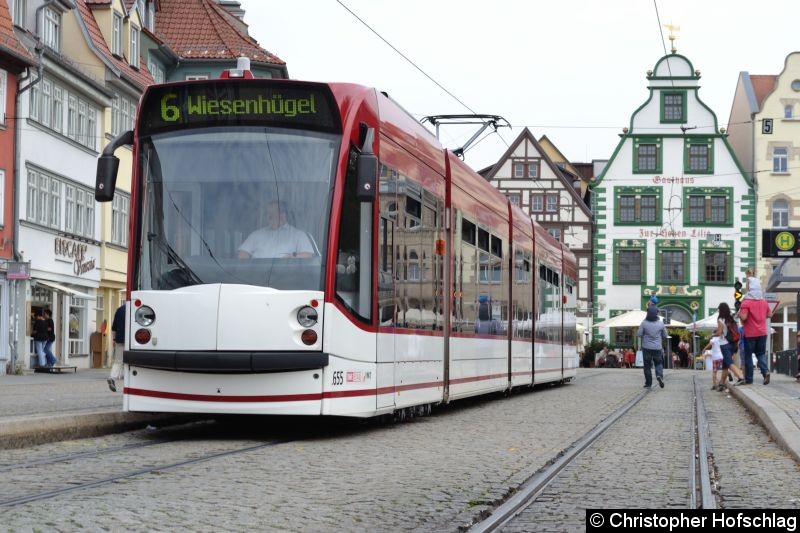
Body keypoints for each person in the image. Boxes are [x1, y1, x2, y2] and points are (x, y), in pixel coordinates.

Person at [238, 200, 315, 259]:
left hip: (288, 276)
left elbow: (308, 256)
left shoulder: (299, 235)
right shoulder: (256, 234)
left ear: (283, 215)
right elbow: (242, 254)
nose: (268, 217)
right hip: (256, 277)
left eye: (271, 214)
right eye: (267, 214)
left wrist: (293, 258)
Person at [738, 281, 771, 385]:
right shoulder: (764, 302)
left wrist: (739, 314)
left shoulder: (746, 302)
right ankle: (765, 372)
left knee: (748, 356)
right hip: (762, 332)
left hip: (750, 333)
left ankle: (749, 379)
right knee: (760, 354)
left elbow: (744, 317)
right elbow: (770, 314)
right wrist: (760, 317)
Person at [715, 302, 744, 390]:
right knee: (725, 365)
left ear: (720, 310)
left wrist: (713, 335)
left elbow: (719, 332)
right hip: (733, 343)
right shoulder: (731, 318)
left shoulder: (721, 319)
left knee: (729, 363)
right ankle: (721, 384)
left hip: (724, 344)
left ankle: (741, 377)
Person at [637, 305, 667, 388]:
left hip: (646, 347)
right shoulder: (661, 323)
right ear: (656, 314)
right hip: (657, 347)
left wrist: (645, 334)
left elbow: (639, 334)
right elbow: (665, 335)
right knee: (658, 363)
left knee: (647, 366)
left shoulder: (644, 323)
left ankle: (648, 383)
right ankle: (659, 376)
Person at [108, 303, 126, 392]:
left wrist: (114, 339)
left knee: (118, 361)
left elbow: (114, 328)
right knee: (132, 362)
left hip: (119, 339)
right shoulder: (137, 308)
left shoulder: (119, 310)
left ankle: (112, 377)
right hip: (132, 341)